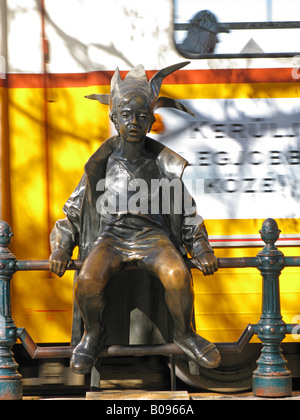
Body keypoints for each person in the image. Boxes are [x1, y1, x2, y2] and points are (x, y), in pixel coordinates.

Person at [49, 61, 220, 374]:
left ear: (151, 121)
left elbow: (186, 211)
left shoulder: (161, 165)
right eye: (126, 115)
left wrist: (200, 247)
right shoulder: (99, 166)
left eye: (142, 116)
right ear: (114, 118)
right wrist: (61, 246)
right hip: (110, 239)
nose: (133, 122)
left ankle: (185, 334)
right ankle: (93, 334)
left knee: (178, 275)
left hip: (154, 239)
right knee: (88, 278)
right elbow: (72, 212)